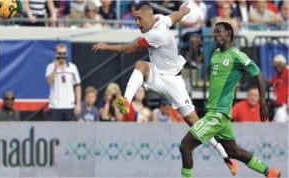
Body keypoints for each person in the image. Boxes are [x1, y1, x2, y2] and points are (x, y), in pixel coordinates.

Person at [92, 2, 238, 175]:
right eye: (135, 18)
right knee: (140, 65)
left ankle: (225, 156)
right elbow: (173, 17)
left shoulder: (156, 34)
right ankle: (126, 101)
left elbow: (128, 48)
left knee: (194, 122)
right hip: (156, 74)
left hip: (173, 82)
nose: (137, 23)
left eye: (139, 18)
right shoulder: (160, 20)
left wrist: (105, 46)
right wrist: (184, 11)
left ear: (149, 16)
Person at [180, 22, 281, 178]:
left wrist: (262, 103)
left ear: (228, 33)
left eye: (218, 32)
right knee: (233, 151)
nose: (215, 36)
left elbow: (258, 75)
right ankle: (269, 172)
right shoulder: (215, 55)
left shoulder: (237, 55)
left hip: (218, 114)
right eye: (214, 33)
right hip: (217, 113)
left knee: (185, 146)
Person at [45, 43, 82, 121]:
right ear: (56, 54)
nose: (62, 56)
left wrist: (78, 104)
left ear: (67, 54)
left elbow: (77, 86)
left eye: (64, 53)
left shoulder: (72, 67)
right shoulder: (50, 67)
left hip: (69, 106)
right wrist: (56, 68)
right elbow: (49, 81)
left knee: (69, 131)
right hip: (55, 106)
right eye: (60, 53)